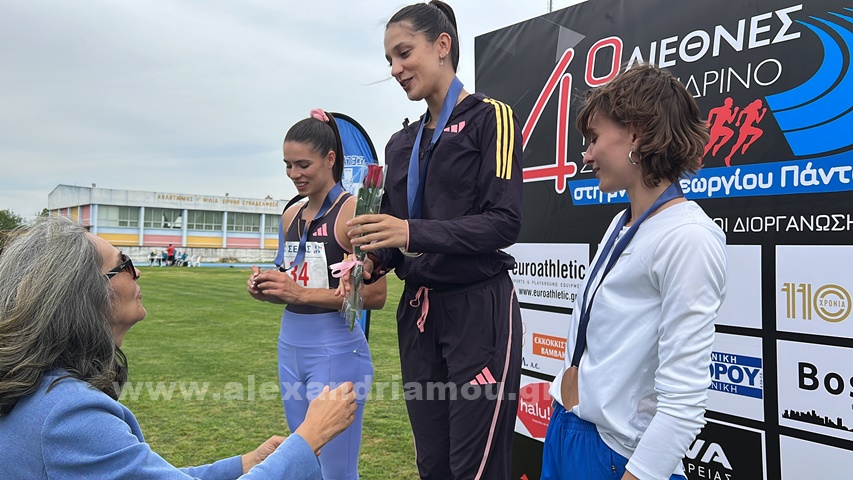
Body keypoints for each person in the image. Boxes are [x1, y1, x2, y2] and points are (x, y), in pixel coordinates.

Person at [0, 216, 358, 479]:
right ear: (86, 294)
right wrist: (310, 436)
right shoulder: (68, 415)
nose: (138, 273)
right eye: (124, 265)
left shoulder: (41, 391)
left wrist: (246, 463)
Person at [341, 2, 524, 478]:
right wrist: (371, 262)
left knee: (475, 467)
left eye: (404, 54)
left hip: (477, 310)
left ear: (443, 45)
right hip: (418, 315)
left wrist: (409, 232)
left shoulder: (491, 118)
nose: (395, 69)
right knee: (433, 464)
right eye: (389, 60)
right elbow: (394, 234)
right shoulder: (400, 143)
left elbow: (504, 222)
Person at [541, 64, 727, 480]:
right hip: (568, 430)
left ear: (637, 135)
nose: (586, 155)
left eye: (594, 139)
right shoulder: (622, 222)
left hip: (617, 454)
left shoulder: (689, 237)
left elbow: (683, 404)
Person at [247, 108, 387, 480]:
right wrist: (267, 289)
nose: (294, 174)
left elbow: (375, 296)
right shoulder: (290, 215)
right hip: (291, 348)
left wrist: (301, 294)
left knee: (336, 471)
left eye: (303, 164)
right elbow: (291, 284)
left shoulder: (353, 212)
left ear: (330, 159)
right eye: (288, 165)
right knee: (304, 463)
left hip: (335, 352)